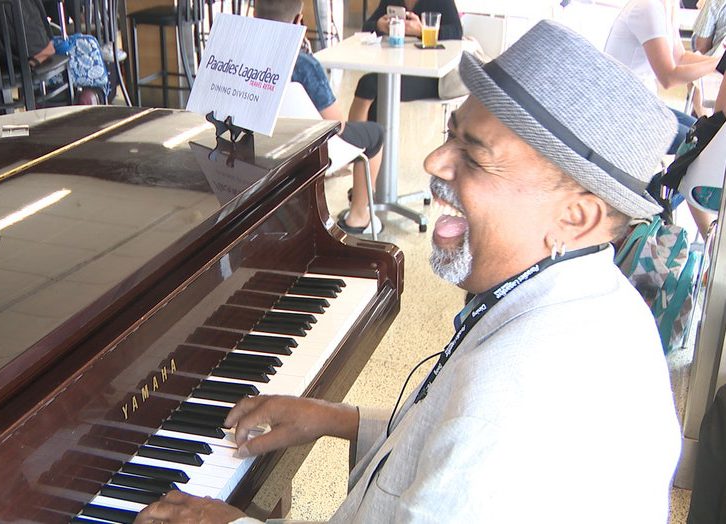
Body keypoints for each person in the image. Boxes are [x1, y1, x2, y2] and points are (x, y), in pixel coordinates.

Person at [135, 21, 681, 523]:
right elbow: (441, 434)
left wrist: (230, 521)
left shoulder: (513, 413)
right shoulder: (595, 299)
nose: (433, 162)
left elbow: (475, 440)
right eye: (451, 133)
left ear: (577, 216)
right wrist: (339, 418)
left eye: (474, 155)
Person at [255, 0, 384, 235]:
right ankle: (358, 217)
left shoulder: (243, 55)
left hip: (262, 148)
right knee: (375, 135)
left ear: (254, 16)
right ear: (298, 21)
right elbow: (337, 125)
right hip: (311, 150)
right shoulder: (304, 64)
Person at [604, 0, 723, 153]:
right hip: (625, 111)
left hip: (645, 104)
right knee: (702, 145)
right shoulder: (648, 7)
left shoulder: (668, 5)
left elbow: (679, 57)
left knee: (704, 134)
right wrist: (719, 63)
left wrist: (719, 63)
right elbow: (669, 78)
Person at [347, 0, 463, 122]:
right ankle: (372, 134)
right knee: (378, 92)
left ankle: (355, 134)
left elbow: (457, 32)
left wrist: (422, 31)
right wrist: (379, 26)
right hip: (400, 67)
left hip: (436, 76)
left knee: (369, 84)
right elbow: (366, 28)